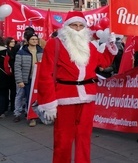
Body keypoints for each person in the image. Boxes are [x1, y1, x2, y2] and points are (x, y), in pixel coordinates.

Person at [36, 11, 118, 163]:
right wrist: (49, 103)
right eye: (74, 25)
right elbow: (45, 74)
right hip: (64, 97)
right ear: (66, 27)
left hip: (88, 97)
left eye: (81, 25)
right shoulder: (55, 44)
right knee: (63, 139)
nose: (78, 29)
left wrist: (110, 44)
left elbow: (103, 61)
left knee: (84, 138)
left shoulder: (89, 46)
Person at [13, 32, 43, 126]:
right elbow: (17, 67)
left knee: (39, 98)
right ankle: (30, 117)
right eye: (32, 39)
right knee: (27, 98)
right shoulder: (21, 52)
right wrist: (19, 80)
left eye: (36, 39)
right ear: (28, 40)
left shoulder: (41, 51)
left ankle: (39, 116)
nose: (34, 41)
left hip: (39, 79)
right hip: (27, 79)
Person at [4, 37, 17, 114]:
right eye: (11, 42)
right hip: (7, 73)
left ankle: (12, 106)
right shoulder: (5, 50)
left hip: (13, 73)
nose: (13, 43)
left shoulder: (15, 50)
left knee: (13, 91)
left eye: (14, 41)